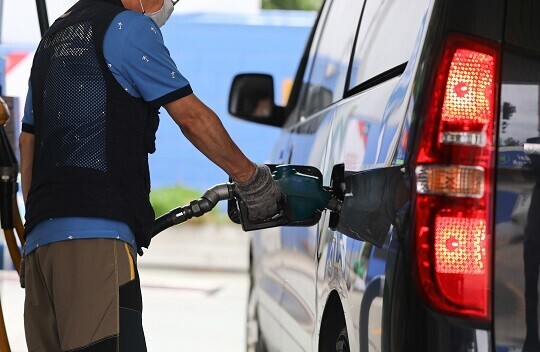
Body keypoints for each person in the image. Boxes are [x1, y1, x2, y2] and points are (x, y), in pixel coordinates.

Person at [18, 0, 282, 350]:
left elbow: (28, 142)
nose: (168, 5)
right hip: (94, 241)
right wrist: (251, 179)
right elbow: (191, 117)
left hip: (40, 247)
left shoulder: (54, 37)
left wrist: (33, 229)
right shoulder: (128, 29)